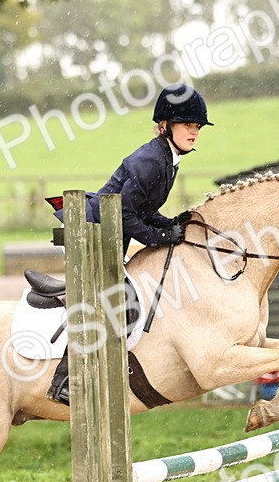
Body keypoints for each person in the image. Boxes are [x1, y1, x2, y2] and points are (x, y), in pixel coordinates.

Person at [45, 83, 214, 404]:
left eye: (197, 127)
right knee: (116, 304)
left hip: (110, 230)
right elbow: (124, 215)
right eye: (188, 126)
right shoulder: (151, 161)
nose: (195, 133)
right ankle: (64, 380)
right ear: (166, 126)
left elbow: (142, 210)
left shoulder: (167, 157)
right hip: (91, 232)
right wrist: (162, 237)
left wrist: (170, 224)